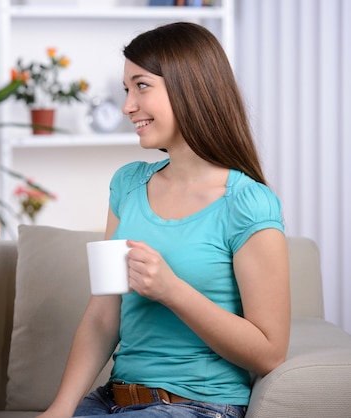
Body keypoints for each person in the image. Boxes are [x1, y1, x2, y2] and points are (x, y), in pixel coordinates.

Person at [39, 22, 290, 418]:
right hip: (112, 401)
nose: (127, 106)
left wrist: (172, 290)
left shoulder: (247, 204)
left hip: (198, 405)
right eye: (126, 90)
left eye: (141, 86)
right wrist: (60, 408)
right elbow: (104, 315)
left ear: (188, 87)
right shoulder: (127, 185)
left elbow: (270, 353)